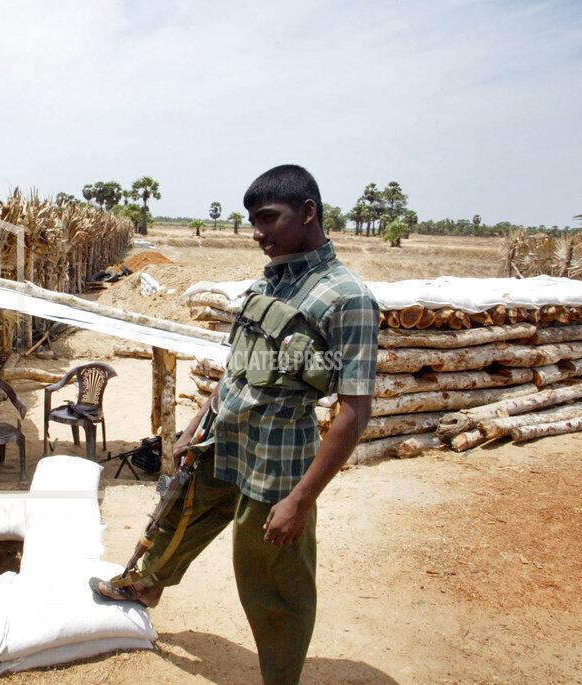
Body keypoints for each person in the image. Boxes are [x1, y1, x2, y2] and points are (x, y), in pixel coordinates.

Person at [95, 165, 379, 684]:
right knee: (181, 512)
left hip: (277, 462)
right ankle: (147, 584)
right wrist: (192, 427)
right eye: (252, 221)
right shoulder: (268, 282)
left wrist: (300, 501)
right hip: (223, 441)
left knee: (272, 580)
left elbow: (355, 412)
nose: (257, 233)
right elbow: (236, 368)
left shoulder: (347, 298)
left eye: (269, 218)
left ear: (309, 213)